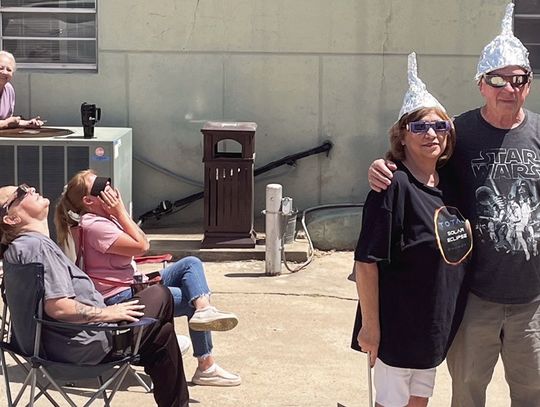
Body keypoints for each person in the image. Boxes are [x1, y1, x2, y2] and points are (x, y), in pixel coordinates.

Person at [367, 4, 540, 406]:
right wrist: (383, 165)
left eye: (518, 79)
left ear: (528, 85)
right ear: (481, 83)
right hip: (474, 295)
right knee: (466, 392)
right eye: (497, 79)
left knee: (531, 393)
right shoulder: (457, 132)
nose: (507, 88)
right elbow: (420, 157)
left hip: (531, 300)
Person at [0, 184, 189, 407]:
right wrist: (107, 312)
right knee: (160, 293)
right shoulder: (38, 248)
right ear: (11, 219)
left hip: (43, 346)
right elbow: (58, 307)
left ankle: (154, 357)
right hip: (81, 348)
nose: (30, 188)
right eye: (21, 192)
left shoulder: (17, 249)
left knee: (162, 336)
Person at [352, 52, 471, 407]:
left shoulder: (450, 181)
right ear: (401, 136)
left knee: (419, 403)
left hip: (434, 326)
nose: (431, 134)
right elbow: (365, 262)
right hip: (398, 326)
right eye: (419, 127)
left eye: (440, 126)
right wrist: (370, 327)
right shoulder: (392, 185)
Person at [54, 170, 242, 387]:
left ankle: (203, 310)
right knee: (190, 298)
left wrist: (116, 213)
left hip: (131, 282)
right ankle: (206, 366)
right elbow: (142, 247)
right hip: (120, 297)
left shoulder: (102, 218)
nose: (107, 188)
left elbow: (143, 240)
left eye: (105, 183)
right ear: (88, 201)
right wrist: (121, 210)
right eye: (99, 188)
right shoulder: (95, 225)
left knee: (191, 264)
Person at [0, 51, 43, 129]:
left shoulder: (9, 89)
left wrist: (28, 123)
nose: (5, 72)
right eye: (0, 68)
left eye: (9, 70)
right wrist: (6, 123)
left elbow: (8, 121)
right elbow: (7, 122)